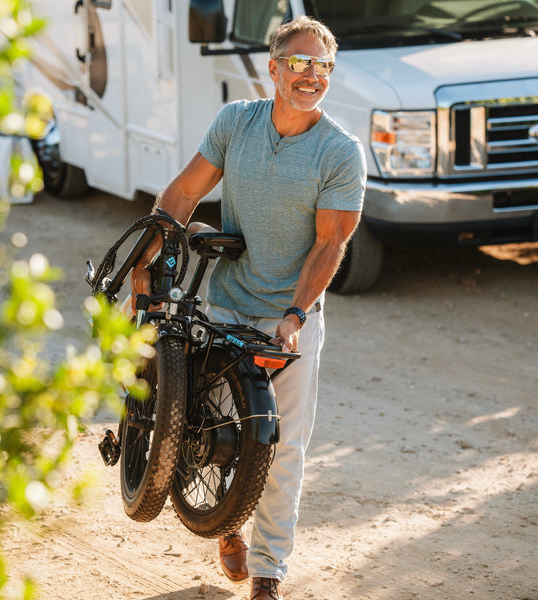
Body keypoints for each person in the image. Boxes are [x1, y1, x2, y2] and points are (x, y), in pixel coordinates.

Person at [130, 15, 366, 600]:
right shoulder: (237, 122)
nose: (311, 75)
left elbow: (330, 242)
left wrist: (293, 315)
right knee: (213, 433)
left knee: (283, 447)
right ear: (274, 67)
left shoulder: (340, 151)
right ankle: (226, 519)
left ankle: (268, 573)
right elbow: (184, 192)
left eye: (322, 66)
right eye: (299, 62)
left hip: (289, 319)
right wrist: (144, 260)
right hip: (225, 306)